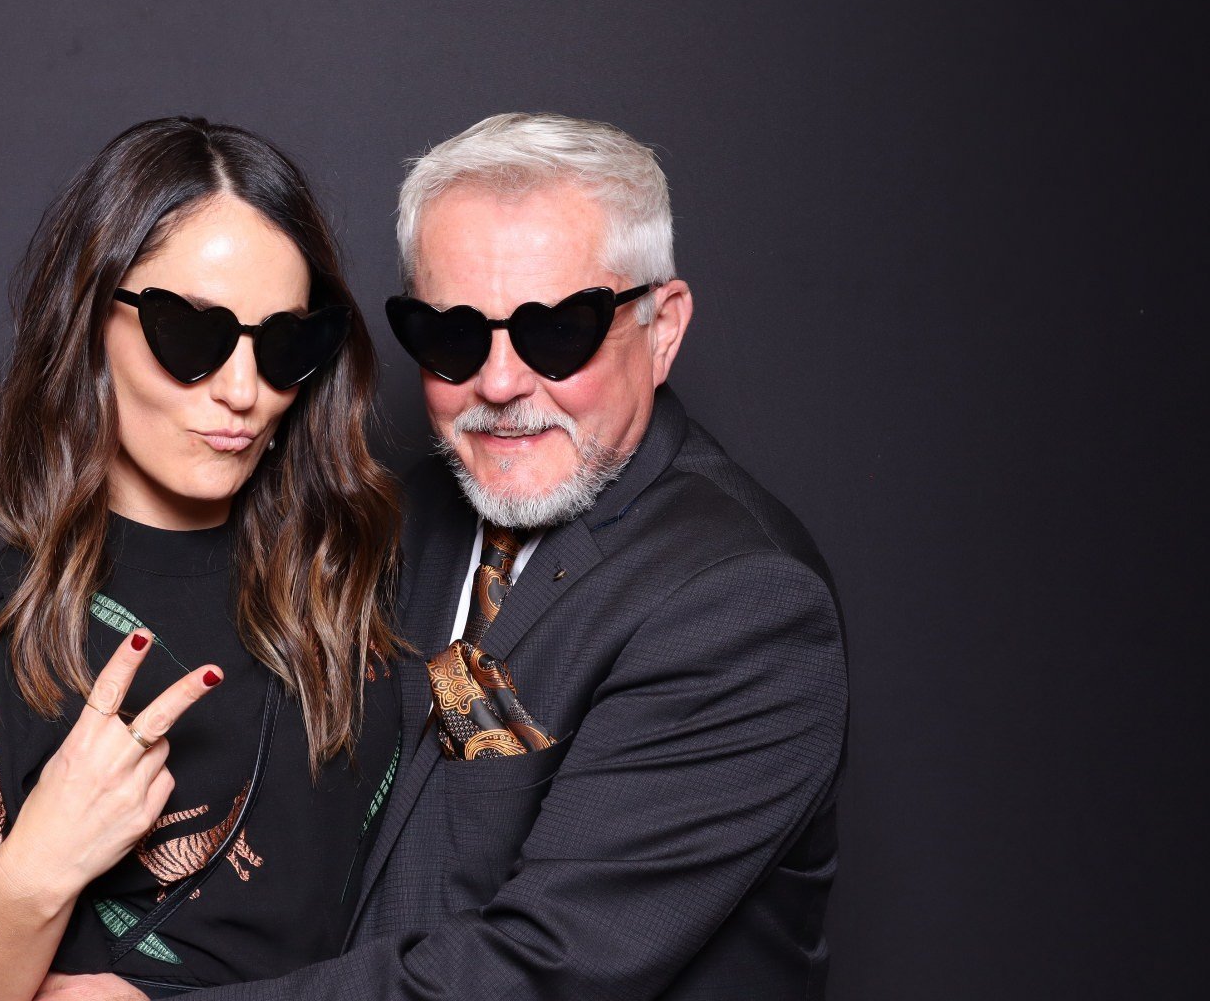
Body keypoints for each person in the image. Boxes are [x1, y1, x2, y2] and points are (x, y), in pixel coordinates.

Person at [42, 112, 849, 1000]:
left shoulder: (742, 603)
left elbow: (542, 971)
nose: (499, 383)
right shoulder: (393, 524)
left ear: (663, 328)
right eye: (455, 336)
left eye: (557, 331)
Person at [0, 117, 404, 999]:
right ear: (90, 324)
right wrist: (41, 864)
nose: (242, 391)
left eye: (284, 346)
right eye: (192, 336)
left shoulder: (379, 605)